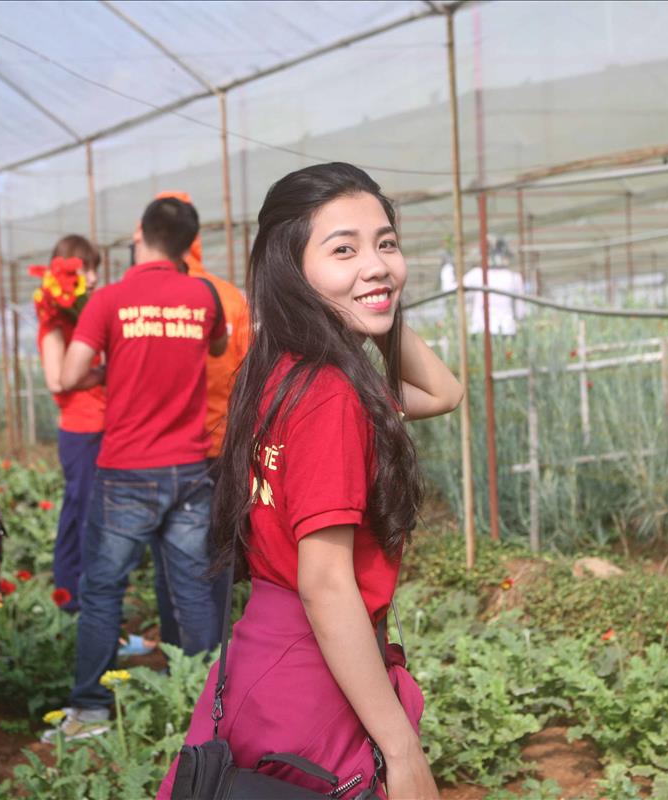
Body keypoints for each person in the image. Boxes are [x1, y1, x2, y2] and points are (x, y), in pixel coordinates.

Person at [159, 162, 462, 799]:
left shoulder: (278, 370)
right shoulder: (331, 395)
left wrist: (374, 298)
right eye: (343, 250)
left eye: (386, 244)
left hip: (263, 656)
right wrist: (401, 749)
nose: (376, 264)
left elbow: (443, 392)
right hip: (317, 668)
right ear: (291, 270)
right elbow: (325, 583)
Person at [47, 196, 228, 742]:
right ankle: (209, 708)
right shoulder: (203, 296)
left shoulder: (109, 299)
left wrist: (112, 366)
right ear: (188, 244)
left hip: (127, 468)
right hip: (189, 468)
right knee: (193, 592)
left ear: (139, 235)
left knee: (104, 590)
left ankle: (92, 711)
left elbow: (69, 376)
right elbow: (218, 345)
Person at [150, 190, 251, 647]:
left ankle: (179, 652)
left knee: (171, 559)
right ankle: (219, 656)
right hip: (223, 445)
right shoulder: (228, 297)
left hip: (170, 450)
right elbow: (250, 372)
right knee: (219, 552)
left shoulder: (148, 300)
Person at [30, 236, 105, 613]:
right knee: (82, 515)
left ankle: (78, 596)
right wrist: (104, 373)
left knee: (83, 513)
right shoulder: (54, 320)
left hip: (98, 426)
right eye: (85, 269)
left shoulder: (80, 314)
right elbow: (57, 380)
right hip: (82, 430)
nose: (92, 278)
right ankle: (77, 599)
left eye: (94, 269)